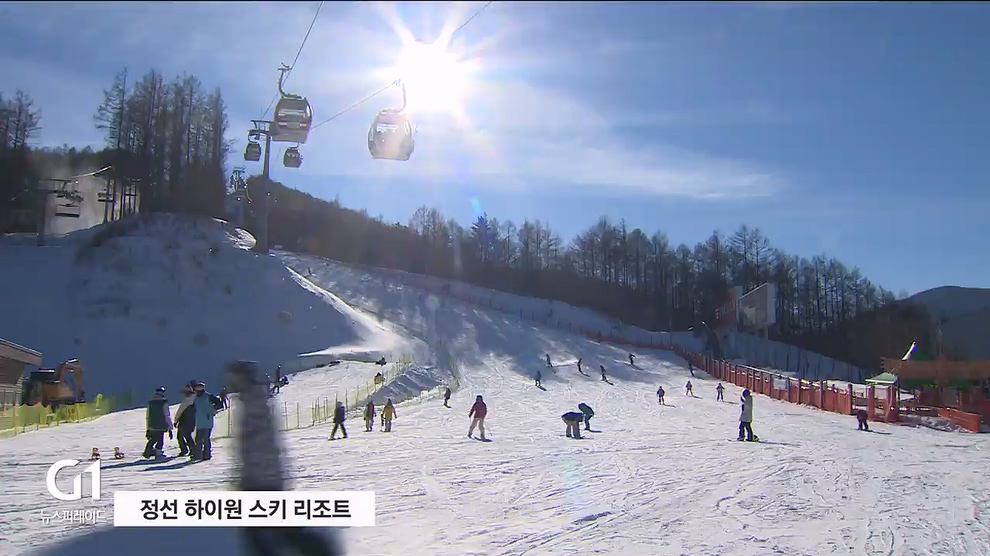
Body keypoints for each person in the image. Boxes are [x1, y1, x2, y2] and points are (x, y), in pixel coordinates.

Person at [224, 360, 345, 556]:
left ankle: (320, 549)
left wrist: (250, 479)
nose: (230, 383)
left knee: (265, 532)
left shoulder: (254, 402)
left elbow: (261, 445)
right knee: (268, 531)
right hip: (261, 480)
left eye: (234, 378)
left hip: (262, 482)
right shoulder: (250, 401)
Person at [143, 387, 173, 459]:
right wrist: (170, 427)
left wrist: (148, 427)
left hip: (152, 424)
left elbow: (148, 415)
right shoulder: (163, 403)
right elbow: (166, 415)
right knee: (160, 439)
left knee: (153, 439)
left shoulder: (151, 403)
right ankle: (158, 453)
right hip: (161, 424)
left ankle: (148, 451)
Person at [192, 382, 218, 460]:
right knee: (199, 439)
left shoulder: (208, 396)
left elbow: (219, 403)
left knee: (205, 439)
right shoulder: (196, 398)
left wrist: (212, 411)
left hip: (207, 421)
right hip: (200, 422)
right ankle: (200, 455)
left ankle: (205, 454)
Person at [174, 384, 198, 457]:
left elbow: (180, 411)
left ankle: (186, 450)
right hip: (192, 421)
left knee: (181, 436)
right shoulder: (195, 399)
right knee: (187, 435)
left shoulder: (187, 400)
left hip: (184, 421)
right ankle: (192, 449)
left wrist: (175, 421)